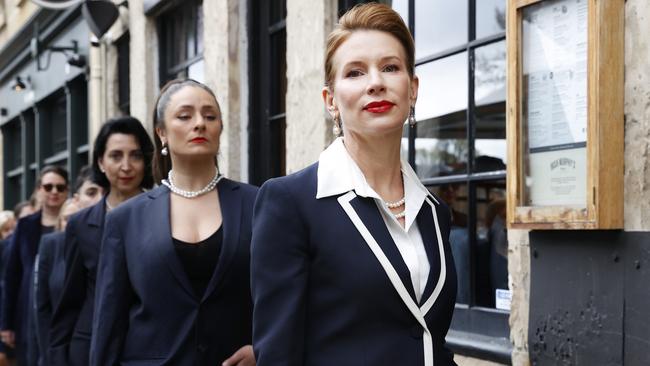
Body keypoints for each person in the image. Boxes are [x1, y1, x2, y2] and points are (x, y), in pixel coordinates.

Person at [251, 4, 457, 366]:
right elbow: (278, 354)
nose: (375, 82)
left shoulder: (434, 212)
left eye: (390, 67)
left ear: (412, 89)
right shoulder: (289, 203)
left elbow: (428, 340)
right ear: (331, 100)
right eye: (355, 72)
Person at [90, 79, 257, 366]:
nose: (199, 124)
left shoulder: (257, 203)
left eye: (210, 115)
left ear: (220, 127)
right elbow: (109, 321)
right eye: (184, 115)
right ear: (161, 132)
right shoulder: (125, 220)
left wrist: (262, 348)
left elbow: (283, 295)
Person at [49, 117, 154, 366]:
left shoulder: (166, 213)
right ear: (101, 162)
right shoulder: (80, 224)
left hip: (151, 346)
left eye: (135, 155)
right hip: (89, 347)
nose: (126, 166)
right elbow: (70, 300)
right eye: (116, 156)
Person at [35, 166, 104, 366]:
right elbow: (43, 309)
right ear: (76, 198)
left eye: (104, 192)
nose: (99, 199)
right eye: (91, 192)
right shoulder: (53, 244)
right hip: (67, 352)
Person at [1, 166, 69, 365]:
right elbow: (12, 275)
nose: (54, 192)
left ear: (67, 190)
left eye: (60, 187)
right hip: (28, 307)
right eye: (48, 187)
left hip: (62, 306)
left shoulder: (75, 222)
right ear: (39, 190)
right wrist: (6, 324)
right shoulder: (25, 225)